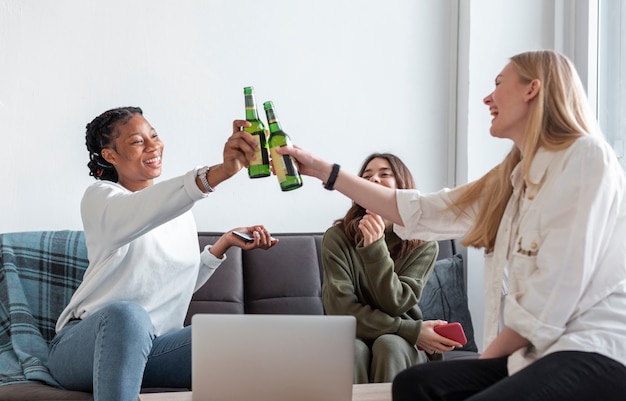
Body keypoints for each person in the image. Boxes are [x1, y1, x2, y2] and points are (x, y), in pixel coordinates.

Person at [277, 50, 626, 400]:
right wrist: (324, 170)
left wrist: (485, 363)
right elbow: (424, 210)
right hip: (536, 353)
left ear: (531, 90)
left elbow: (553, 294)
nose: (487, 97)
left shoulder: (585, 157)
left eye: (498, 84)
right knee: (414, 384)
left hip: (592, 348)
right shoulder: (512, 177)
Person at [47, 106, 278, 401]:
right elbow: (140, 210)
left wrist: (223, 245)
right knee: (130, 316)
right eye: (137, 141)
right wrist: (219, 173)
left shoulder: (179, 212)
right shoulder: (101, 199)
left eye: (153, 136)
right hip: (86, 347)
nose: (153, 145)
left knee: (232, 335)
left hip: (153, 349)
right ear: (110, 155)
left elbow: (172, 286)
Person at [322, 152, 462, 384]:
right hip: (362, 335)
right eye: (366, 176)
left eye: (384, 174)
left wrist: (374, 248)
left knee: (390, 345)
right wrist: (412, 330)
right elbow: (340, 310)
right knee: (351, 349)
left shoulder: (423, 243)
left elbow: (396, 302)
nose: (374, 179)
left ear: (402, 187)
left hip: (400, 345)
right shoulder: (337, 238)